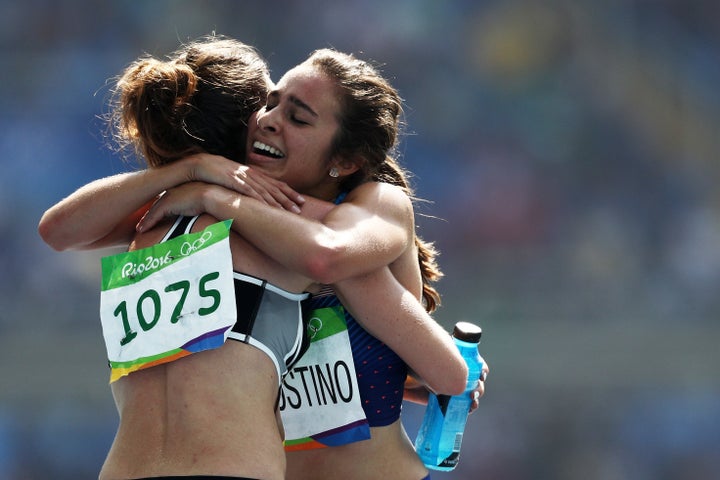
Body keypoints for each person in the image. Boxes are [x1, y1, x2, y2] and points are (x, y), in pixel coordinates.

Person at [39, 42, 487, 480]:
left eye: (297, 117)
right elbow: (59, 230)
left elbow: (330, 260)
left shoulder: (361, 215)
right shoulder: (195, 215)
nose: (270, 122)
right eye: (270, 105)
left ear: (345, 160)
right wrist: (190, 175)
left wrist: (208, 190)